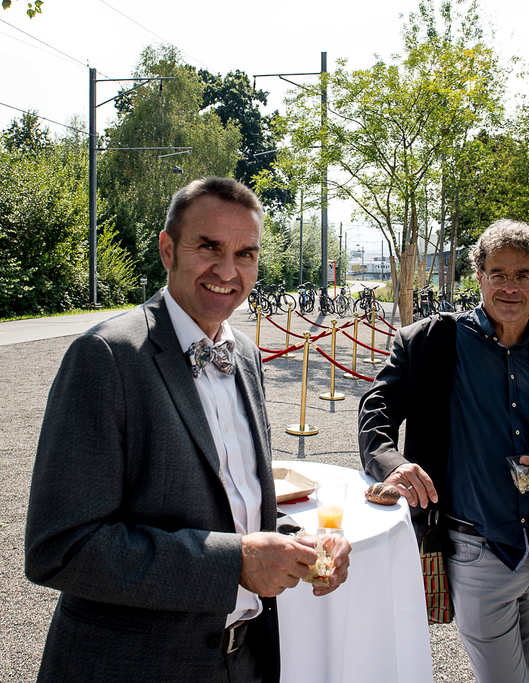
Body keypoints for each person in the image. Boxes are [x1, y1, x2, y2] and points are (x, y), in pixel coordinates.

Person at [24, 177, 351, 683]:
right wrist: (235, 564)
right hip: (134, 667)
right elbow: (61, 548)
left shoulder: (243, 354)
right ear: (168, 248)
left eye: (246, 254)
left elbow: (234, 513)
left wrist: (297, 545)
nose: (227, 271)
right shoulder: (107, 358)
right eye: (209, 247)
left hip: (244, 661)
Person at [358, 219, 529, 683]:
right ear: (480, 277)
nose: (510, 287)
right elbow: (376, 413)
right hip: (475, 550)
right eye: (498, 274)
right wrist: (395, 465)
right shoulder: (429, 342)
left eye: (522, 274)